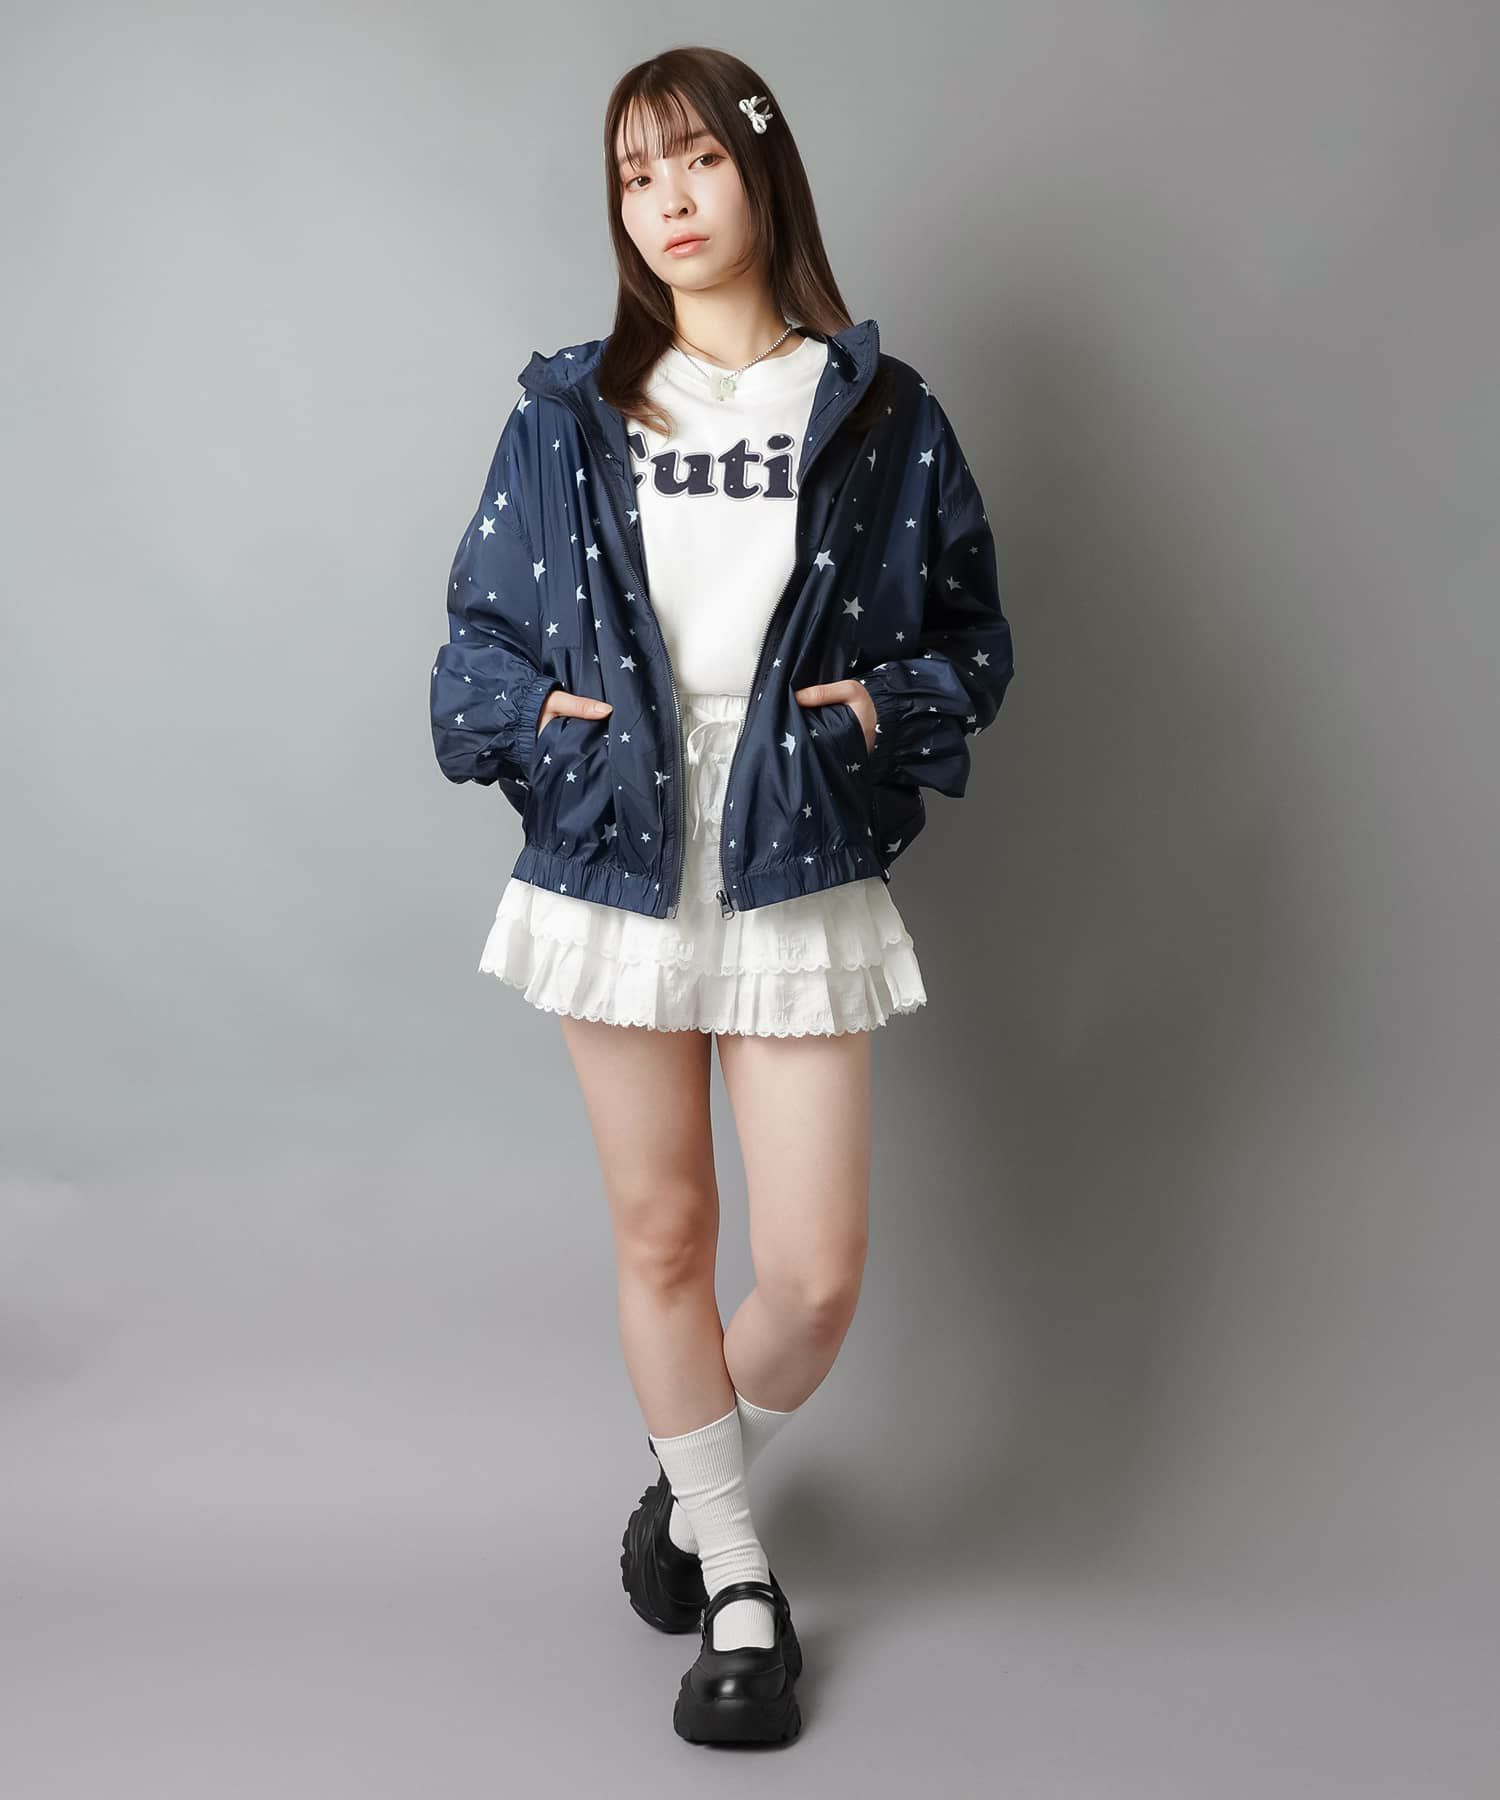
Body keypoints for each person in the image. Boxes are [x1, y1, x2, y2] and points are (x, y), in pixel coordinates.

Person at [429, 46, 1015, 1747]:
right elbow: (477, 638)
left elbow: (968, 639)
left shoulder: (880, 415)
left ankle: (692, 1490)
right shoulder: (567, 414)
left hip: (791, 837)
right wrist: (544, 731)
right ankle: (742, 1580)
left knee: (814, 1274)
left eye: (692, 160)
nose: (666, 201)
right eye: (634, 175)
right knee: (668, 1234)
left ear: (762, 172)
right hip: (621, 843)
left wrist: (870, 719)